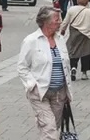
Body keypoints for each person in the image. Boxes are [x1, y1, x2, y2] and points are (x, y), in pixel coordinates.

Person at [16, 7, 71, 140]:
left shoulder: (60, 39)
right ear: (46, 22)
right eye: (57, 19)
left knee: (53, 128)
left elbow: (66, 65)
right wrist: (31, 84)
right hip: (40, 93)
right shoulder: (31, 40)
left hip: (59, 93)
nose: (60, 22)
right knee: (50, 128)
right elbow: (22, 66)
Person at [61, 0, 90, 81]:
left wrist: (62, 30)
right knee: (86, 54)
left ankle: (73, 68)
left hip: (74, 34)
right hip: (86, 35)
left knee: (73, 52)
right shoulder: (89, 11)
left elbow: (65, 22)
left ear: (78, 0)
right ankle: (84, 73)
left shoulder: (71, 9)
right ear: (87, 1)